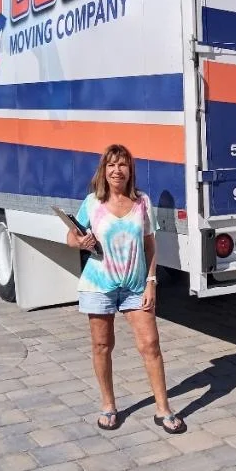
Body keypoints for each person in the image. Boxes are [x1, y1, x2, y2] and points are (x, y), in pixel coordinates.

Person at [66, 143, 186, 434]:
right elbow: (71, 236)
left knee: (151, 345)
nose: (116, 170)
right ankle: (108, 405)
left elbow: (150, 244)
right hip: (98, 285)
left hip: (135, 286)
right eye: (111, 165)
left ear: (130, 170)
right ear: (103, 171)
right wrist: (80, 242)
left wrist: (151, 282)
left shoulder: (142, 202)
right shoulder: (92, 202)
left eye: (122, 165)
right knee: (102, 346)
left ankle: (163, 409)